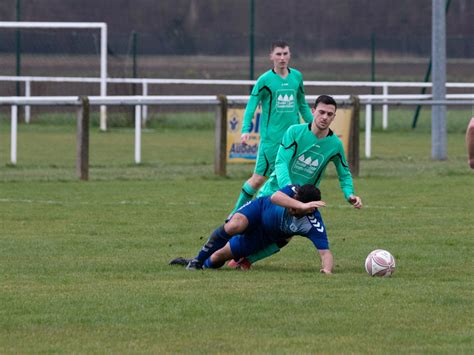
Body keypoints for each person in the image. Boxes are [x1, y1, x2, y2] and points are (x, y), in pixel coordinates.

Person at [228, 94, 363, 270]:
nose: (325, 117)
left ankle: (246, 261)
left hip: (302, 199)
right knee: (249, 228)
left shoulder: (334, 144)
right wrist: (289, 188)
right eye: (321, 112)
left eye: (330, 114)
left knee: (286, 234)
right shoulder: (295, 132)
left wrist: (349, 194)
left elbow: (344, 173)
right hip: (275, 191)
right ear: (313, 111)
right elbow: (281, 162)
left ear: (334, 117)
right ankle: (222, 253)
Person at [231, 40, 314, 214]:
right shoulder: (265, 80)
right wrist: (245, 129)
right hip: (272, 141)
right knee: (258, 179)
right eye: (278, 54)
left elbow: (302, 105)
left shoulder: (297, 77)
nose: (282, 58)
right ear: (271, 56)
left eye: (285, 54)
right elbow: (251, 105)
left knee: (287, 178)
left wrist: (313, 126)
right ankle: (235, 214)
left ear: (290, 55)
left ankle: (272, 216)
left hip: (292, 140)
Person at [170, 184, 331, 272]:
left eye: (297, 208)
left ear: (311, 209)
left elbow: (325, 253)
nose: (291, 207)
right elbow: (275, 197)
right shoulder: (295, 190)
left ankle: (201, 264)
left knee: (217, 257)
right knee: (234, 225)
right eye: (293, 202)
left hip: (264, 237)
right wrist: (300, 205)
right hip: (259, 210)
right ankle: (197, 260)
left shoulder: (312, 223)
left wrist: (327, 271)